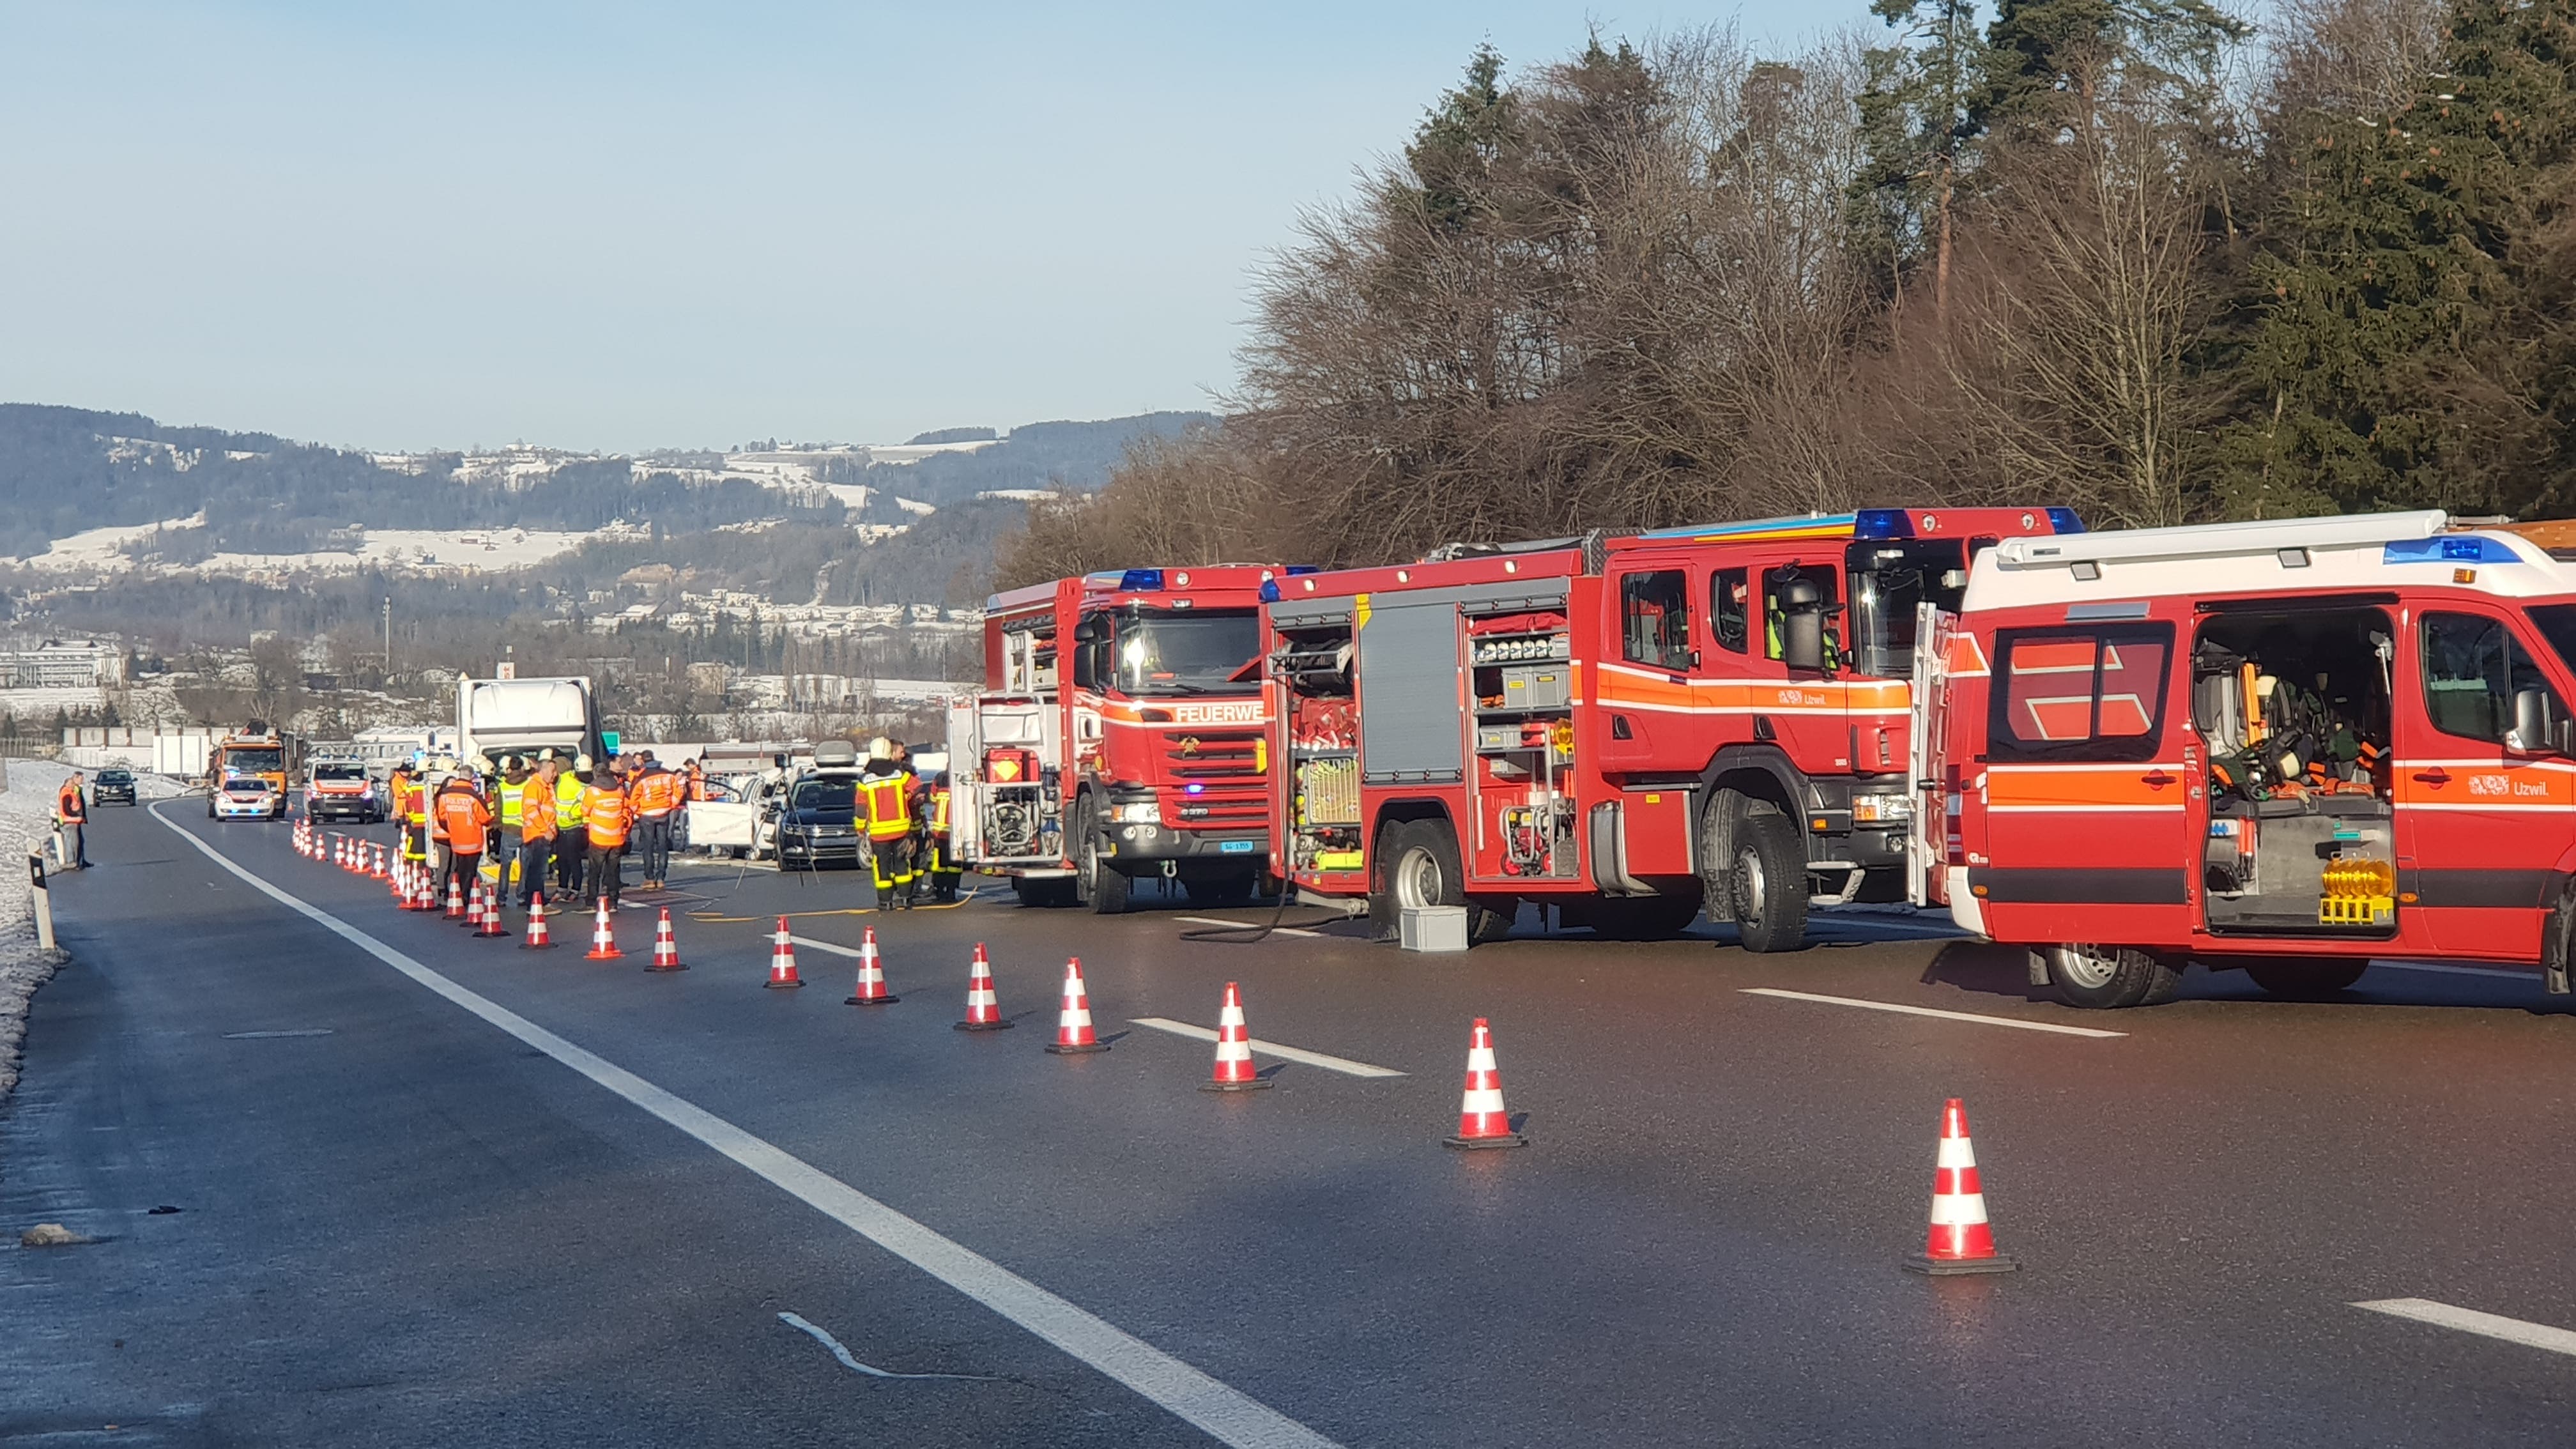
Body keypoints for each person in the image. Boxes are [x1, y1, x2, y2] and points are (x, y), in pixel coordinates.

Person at [857, 739, 922, 910]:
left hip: (879, 833)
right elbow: (917, 786)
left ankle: (886, 902)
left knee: (882, 867)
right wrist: (906, 797)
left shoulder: (865, 780)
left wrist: (860, 828)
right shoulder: (899, 774)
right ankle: (906, 899)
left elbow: (861, 808)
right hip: (901, 829)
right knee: (902, 863)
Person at [433, 767, 492, 907]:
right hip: (472, 840)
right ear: (471, 777)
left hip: (455, 840)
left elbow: (442, 817)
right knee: (469, 872)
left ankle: (455, 894)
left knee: (458, 869)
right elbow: (485, 818)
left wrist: (453, 829)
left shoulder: (446, 795)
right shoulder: (473, 796)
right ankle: (464, 898)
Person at [581, 762, 632, 910]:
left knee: (595, 870)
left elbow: (584, 810)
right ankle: (613, 901)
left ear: (596, 775)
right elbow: (625, 807)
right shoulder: (619, 789)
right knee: (613, 870)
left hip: (599, 837)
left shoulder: (593, 791)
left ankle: (591, 901)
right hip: (616, 836)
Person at [628, 749, 681, 891]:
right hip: (664, 813)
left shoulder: (640, 777)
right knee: (663, 847)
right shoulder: (668, 775)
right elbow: (678, 792)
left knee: (648, 847)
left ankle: (650, 878)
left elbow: (633, 799)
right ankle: (661, 878)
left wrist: (638, 812)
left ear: (644, 762)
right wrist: (671, 805)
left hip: (647, 815)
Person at [518, 757, 560, 910]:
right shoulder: (535, 787)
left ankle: (538, 900)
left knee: (537, 871)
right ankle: (535, 904)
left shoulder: (544, 787)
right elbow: (531, 811)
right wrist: (545, 830)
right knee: (537, 872)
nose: (555, 774)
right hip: (537, 835)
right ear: (543, 770)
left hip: (540, 834)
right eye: (552, 770)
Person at [554, 753, 592, 900]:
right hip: (562, 828)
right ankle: (562, 888)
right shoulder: (561, 783)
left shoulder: (571, 784)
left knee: (573, 860)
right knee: (562, 860)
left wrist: (574, 814)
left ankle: (575, 890)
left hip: (574, 828)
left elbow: (585, 801)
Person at [923, 770, 963, 904]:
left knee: (939, 863)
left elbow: (933, 798)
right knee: (954, 864)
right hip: (956, 831)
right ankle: (951, 892)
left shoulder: (939, 779)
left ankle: (939, 890)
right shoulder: (961, 782)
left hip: (940, 831)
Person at [54, 772, 89, 871]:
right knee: (72, 842)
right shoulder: (67, 793)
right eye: (81, 779)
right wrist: (78, 815)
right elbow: (67, 810)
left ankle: (80, 861)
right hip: (70, 821)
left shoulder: (74, 790)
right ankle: (73, 862)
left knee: (78, 842)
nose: (82, 781)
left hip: (75, 820)